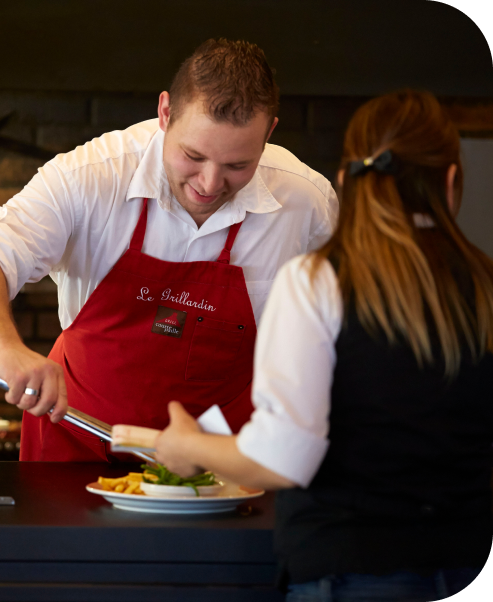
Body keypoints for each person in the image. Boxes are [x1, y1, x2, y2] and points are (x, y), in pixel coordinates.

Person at [154, 89, 493, 600]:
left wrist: (185, 447)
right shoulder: (485, 284)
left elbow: (283, 457)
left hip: (348, 571)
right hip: (467, 561)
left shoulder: (318, 280)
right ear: (449, 181)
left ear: (345, 181)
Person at [0, 39, 338, 461]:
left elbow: (340, 332)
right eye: (193, 155)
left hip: (222, 462)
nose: (208, 184)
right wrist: (6, 349)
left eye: (237, 166)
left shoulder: (306, 204)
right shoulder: (91, 176)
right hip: (78, 440)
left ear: (269, 133)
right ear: (165, 113)